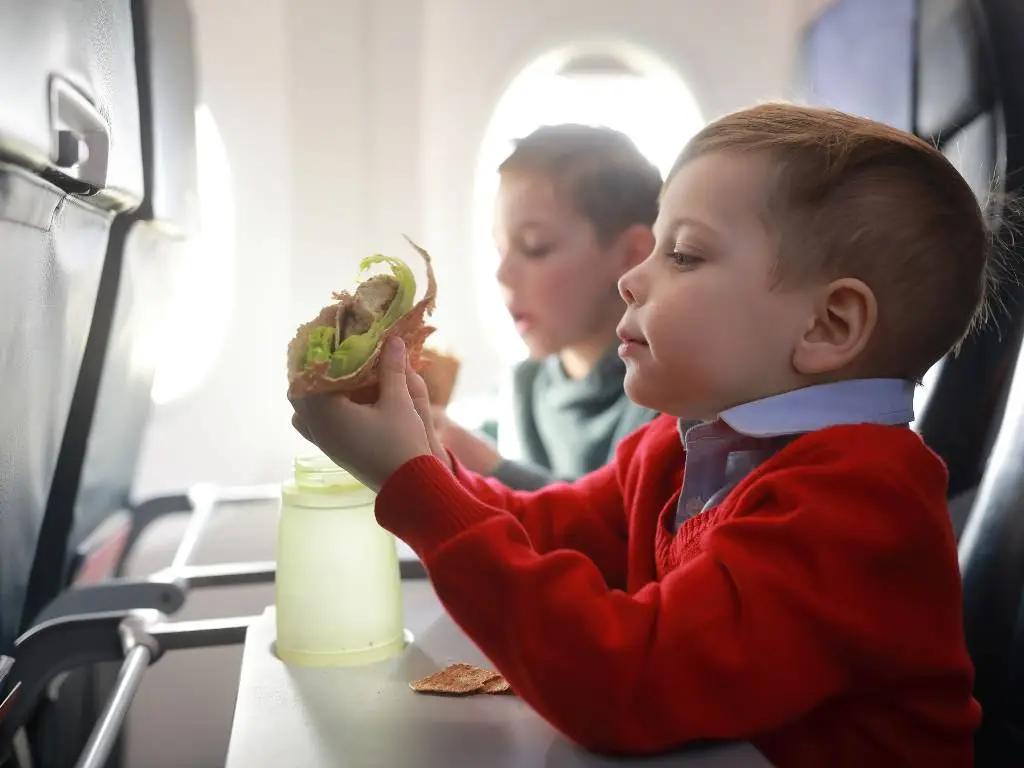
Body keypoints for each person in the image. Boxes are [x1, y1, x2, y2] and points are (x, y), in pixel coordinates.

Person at [290, 103, 989, 766]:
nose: (630, 279)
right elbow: (545, 529)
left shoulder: (859, 507)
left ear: (828, 325)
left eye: (682, 255)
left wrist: (416, 488)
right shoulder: (679, 446)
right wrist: (418, 462)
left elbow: (624, 682)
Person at [435, 124, 662, 489]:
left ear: (631, 254)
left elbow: (615, 526)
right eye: (499, 250)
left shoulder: (662, 397)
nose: (503, 275)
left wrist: (493, 469)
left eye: (535, 247)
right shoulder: (520, 387)